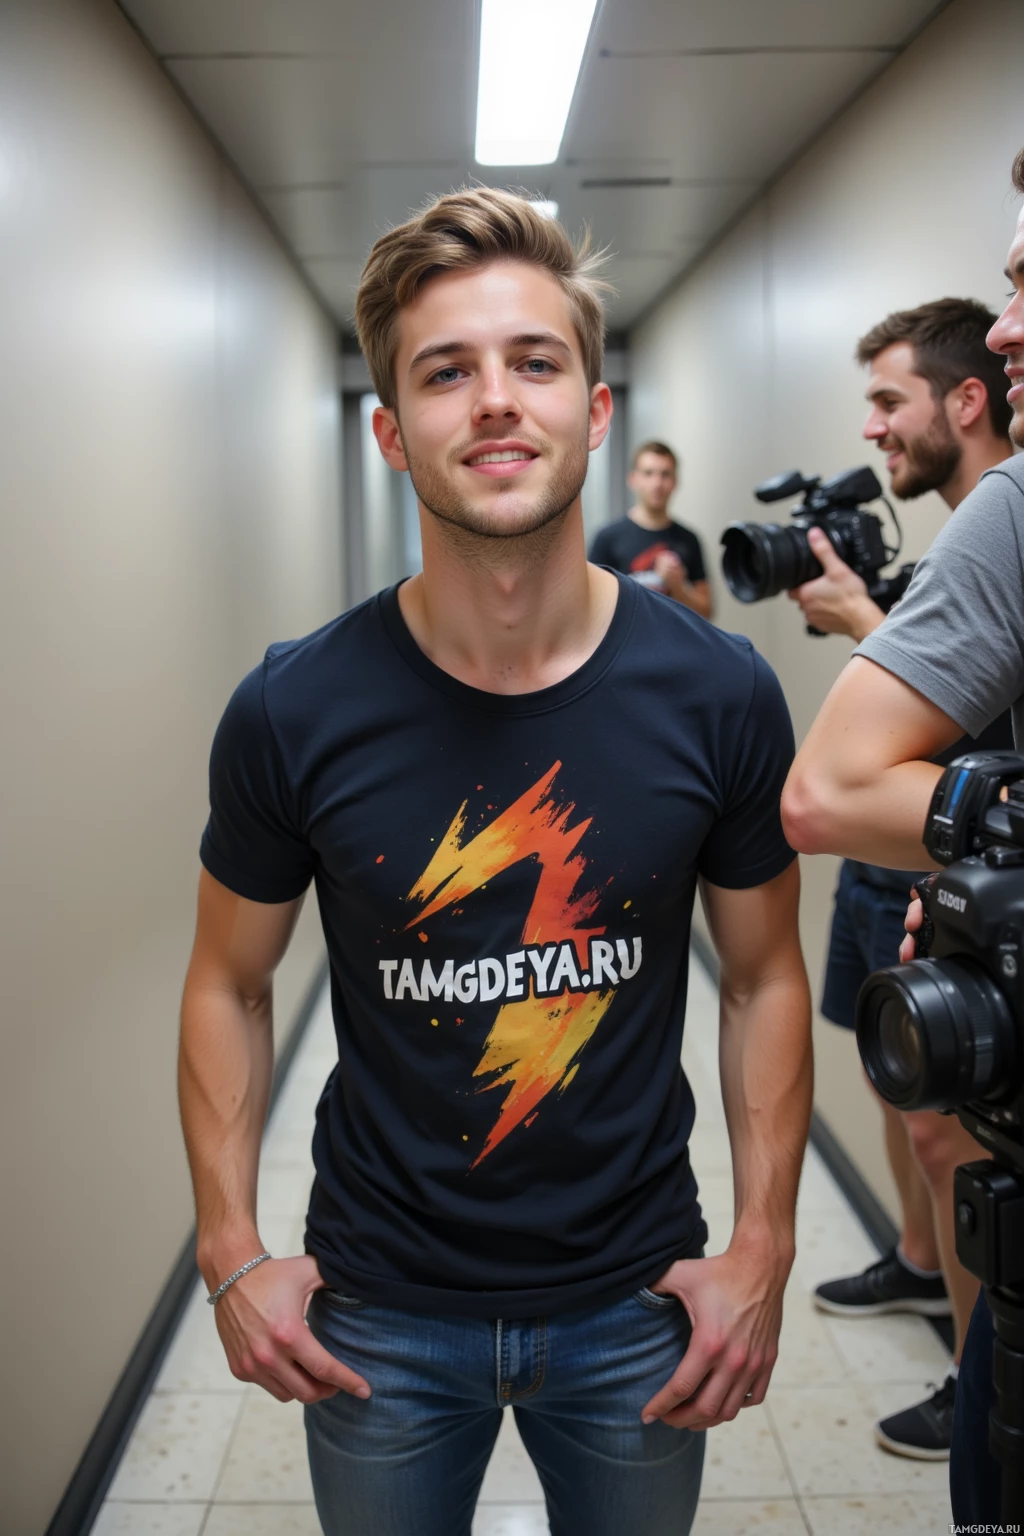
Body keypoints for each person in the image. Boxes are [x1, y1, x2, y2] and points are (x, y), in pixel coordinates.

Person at [178, 188, 813, 1536]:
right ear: (391, 432)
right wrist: (231, 1248)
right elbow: (226, 983)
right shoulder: (294, 709)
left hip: (639, 1302)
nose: (496, 400)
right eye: (446, 371)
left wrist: (763, 1245)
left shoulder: (720, 696)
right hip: (381, 1315)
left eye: (535, 360)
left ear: (595, 408)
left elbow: (763, 979)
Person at [781, 148, 1024, 1526]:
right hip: (939, 919)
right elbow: (844, 786)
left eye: (890, 400)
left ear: (964, 403)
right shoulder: (1001, 523)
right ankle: (938, 1289)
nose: (875, 429)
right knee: (934, 1135)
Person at [589, 441, 714, 617]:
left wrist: (677, 586)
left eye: (665, 474)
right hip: (628, 644)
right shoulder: (608, 538)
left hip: (674, 642)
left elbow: (706, 612)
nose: (657, 483)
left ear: (675, 482)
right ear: (633, 479)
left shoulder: (689, 539)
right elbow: (590, 606)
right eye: (648, 473)